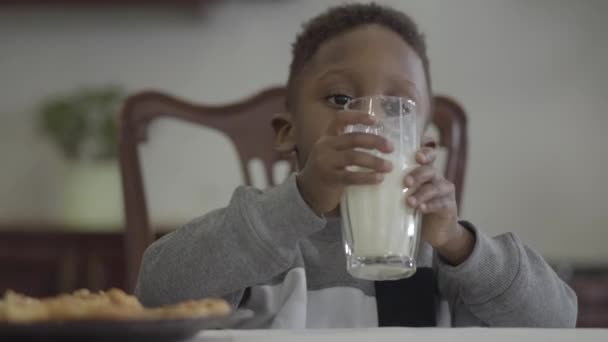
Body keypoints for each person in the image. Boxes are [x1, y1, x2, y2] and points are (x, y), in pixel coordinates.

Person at [135, 3, 577, 328]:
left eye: (397, 108)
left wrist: (460, 243)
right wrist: (299, 201)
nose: (366, 122)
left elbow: (559, 322)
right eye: (341, 100)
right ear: (288, 132)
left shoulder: (441, 259)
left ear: (421, 146)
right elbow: (155, 292)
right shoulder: (254, 241)